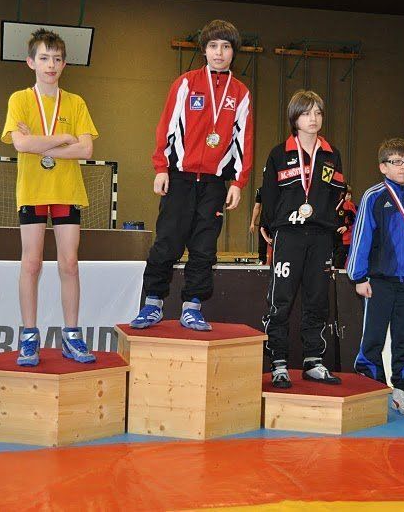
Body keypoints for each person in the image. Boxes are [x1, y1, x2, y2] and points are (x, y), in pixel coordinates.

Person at [130, 19, 253, 331]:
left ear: (234, 52)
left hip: (214, 183)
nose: (219, 52)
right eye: (213, 46)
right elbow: (167, 126)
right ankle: (152, 304)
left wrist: (238, 182)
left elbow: (244, 140)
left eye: (225, 47)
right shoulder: (185, 83)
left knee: (204, 248)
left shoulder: (240, 93)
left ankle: (193, 307)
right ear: (204, 50)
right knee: (167, 242)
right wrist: (161, 168)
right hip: (180, 177)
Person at [1, 28, 99, 367]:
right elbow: (20, 144)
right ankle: (29, 336)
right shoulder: (19, 99)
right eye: (44, 58)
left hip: (66, 191)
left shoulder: (76, 102)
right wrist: (63, 138)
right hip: (32, 191)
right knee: (31, 263)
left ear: (64, 64)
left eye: (57, 59)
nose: (51, 65)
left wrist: (42, 144)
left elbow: (86, 150)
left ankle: (71, 334)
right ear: (31, 62)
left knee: (69, 264)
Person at [260, 90, 346, 388]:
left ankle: (313, 361)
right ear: (294, 117)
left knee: (317, 300)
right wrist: (273, 225)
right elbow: (269, 195)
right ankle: (279, 363)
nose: (313, 119)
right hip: (289, 235)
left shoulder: (332, 154)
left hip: (320, 236)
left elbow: (338, 193)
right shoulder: (278, 153)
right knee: (280, 301)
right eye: (307, 113)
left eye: (318, 113)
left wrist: (328, 222)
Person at [346, 138, 404, 416]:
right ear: (383, 167)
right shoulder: (373, 196)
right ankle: (371, 389)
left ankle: (401, 391)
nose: (403, 167)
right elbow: (361, 236)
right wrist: (359, 276)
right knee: (373, 336)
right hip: (379, 281)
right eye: (396, 162)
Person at [332, 185, 357, 268]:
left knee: (339, 264)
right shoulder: (335, 205)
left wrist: (346, 227)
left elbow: (356, 221)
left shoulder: (351, 206)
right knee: (333, 263)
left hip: (346, 240)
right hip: (335, 239)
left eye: (349, 194)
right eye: (345, 194)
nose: (347, 196)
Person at [249, 186, 268, 264]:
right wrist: (252, 222)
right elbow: (257, 207)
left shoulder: (280, 187)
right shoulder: (260, 190)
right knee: (262, 243)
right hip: (264, 219)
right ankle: (262, 260)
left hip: (276, 219)